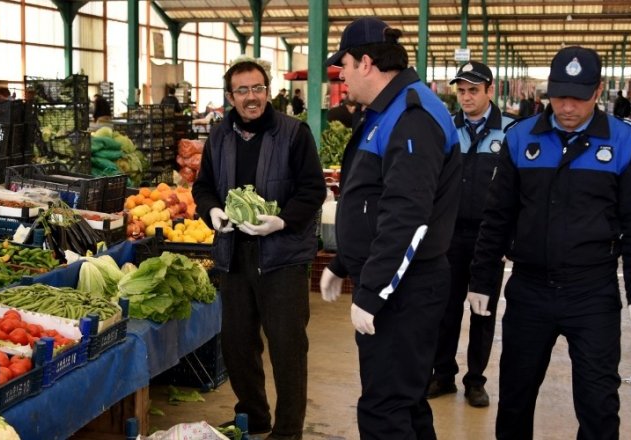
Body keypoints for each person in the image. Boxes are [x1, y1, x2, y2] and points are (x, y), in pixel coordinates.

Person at [468, 46, 631, 440]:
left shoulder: (623, 143)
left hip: (592, 293)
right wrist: (482, 280)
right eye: (559, 96)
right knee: (516, 397)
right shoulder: (521, 139)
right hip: (529, 290)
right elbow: (498, 216)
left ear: (599, 91)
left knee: (598, 401)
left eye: (578, 97)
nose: (567, 106)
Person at [319, 17, 461, 439]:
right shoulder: (389, 110)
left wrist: (373, 291)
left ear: (365, 62)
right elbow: (373, 202)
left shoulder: (412, 115)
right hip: (397, 285)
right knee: (405, 401)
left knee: (384, 410)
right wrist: (345, 261)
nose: (340, 76)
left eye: (342, 65)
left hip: (405, 291)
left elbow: (407, 216)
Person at [191, 58, 326, 440]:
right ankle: (253, 415)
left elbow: (314, 189)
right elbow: (203, 187)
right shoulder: (219, 135)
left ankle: (287, 431)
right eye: (243, 90)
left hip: (282, 257)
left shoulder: (294, 133)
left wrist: (282, 220)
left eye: (258, 88)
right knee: (236, 343)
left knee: (287, 346)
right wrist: (212, 211)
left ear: (268, 91)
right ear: (230, 97)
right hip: (234, 254)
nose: (251, 97)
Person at [427, 60, 513, 409]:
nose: (466, 97)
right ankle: (442, 373)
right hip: (448, 236)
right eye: (461, 91)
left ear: (490, 91)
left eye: (473, 90)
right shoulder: (446, 129)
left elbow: (517, 192)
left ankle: (475, 380)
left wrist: (509, 239)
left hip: (487, 240)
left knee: (483, 311)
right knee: (445, 310)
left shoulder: (510, 132)